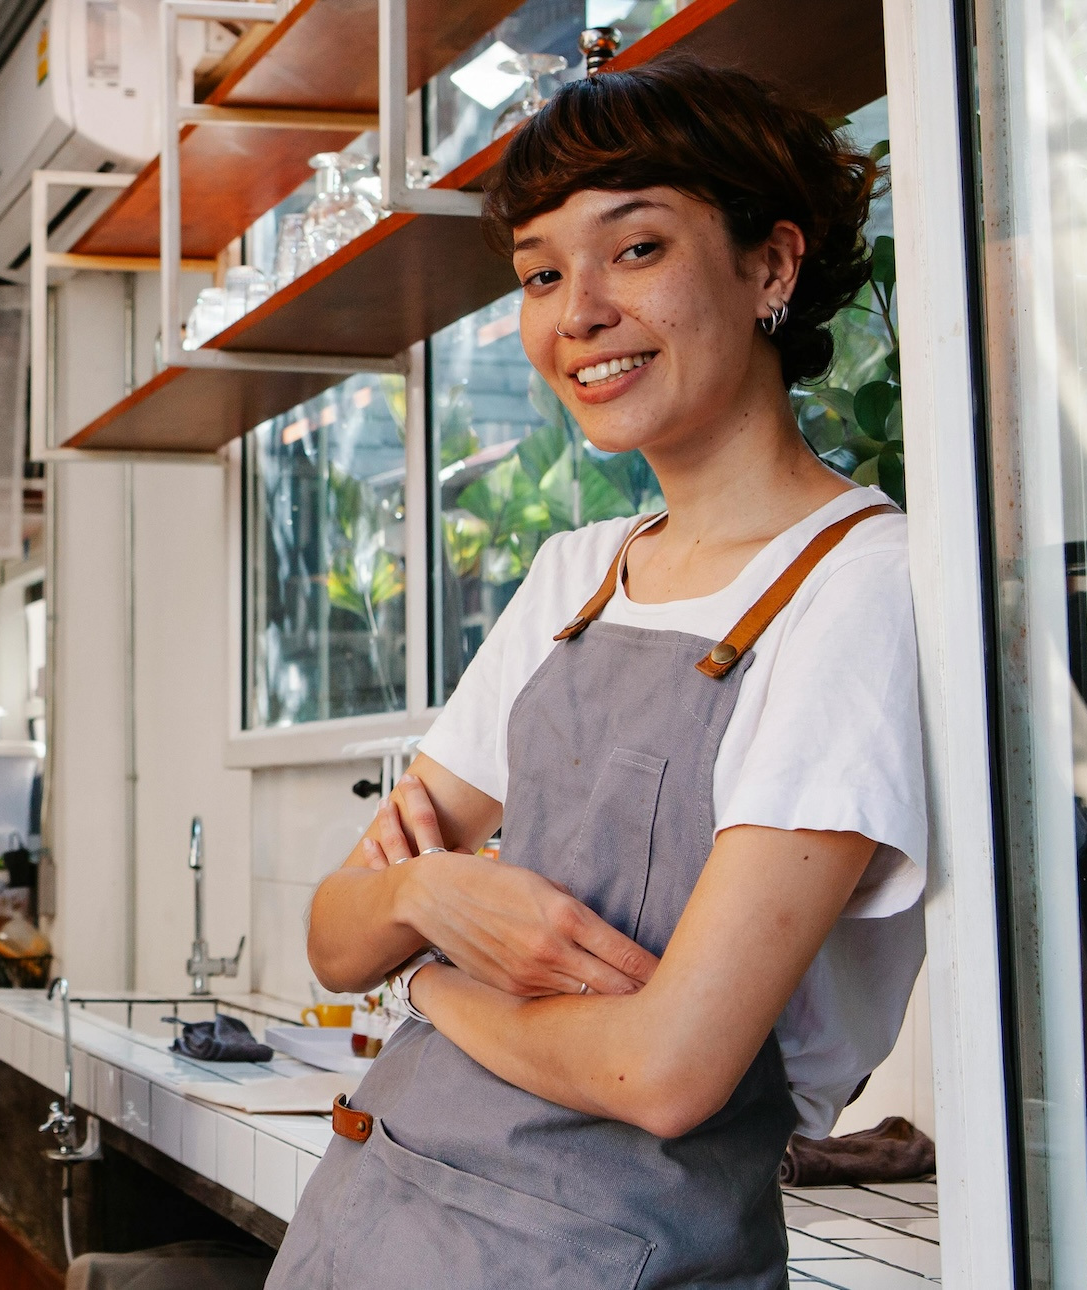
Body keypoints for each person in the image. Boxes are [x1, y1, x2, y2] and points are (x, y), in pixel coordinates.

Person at [268, 60, 925, 1289]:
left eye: (633, 250)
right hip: (370, 1215)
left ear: (770, 267)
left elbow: (665, 1073)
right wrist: (432, 906)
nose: (575, 312)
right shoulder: (579, 573)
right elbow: (332, 933)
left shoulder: (860, 586)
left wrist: (432, 965)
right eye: (537, 274)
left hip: (600, 1255)